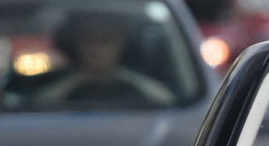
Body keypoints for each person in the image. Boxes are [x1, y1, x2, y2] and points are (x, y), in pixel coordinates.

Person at [34, 10, 172, 108]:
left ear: (122, 43)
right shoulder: (48, 100)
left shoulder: (156, 97)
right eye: (88, 38)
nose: (96, 48)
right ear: (75, 41)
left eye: (106, 39)